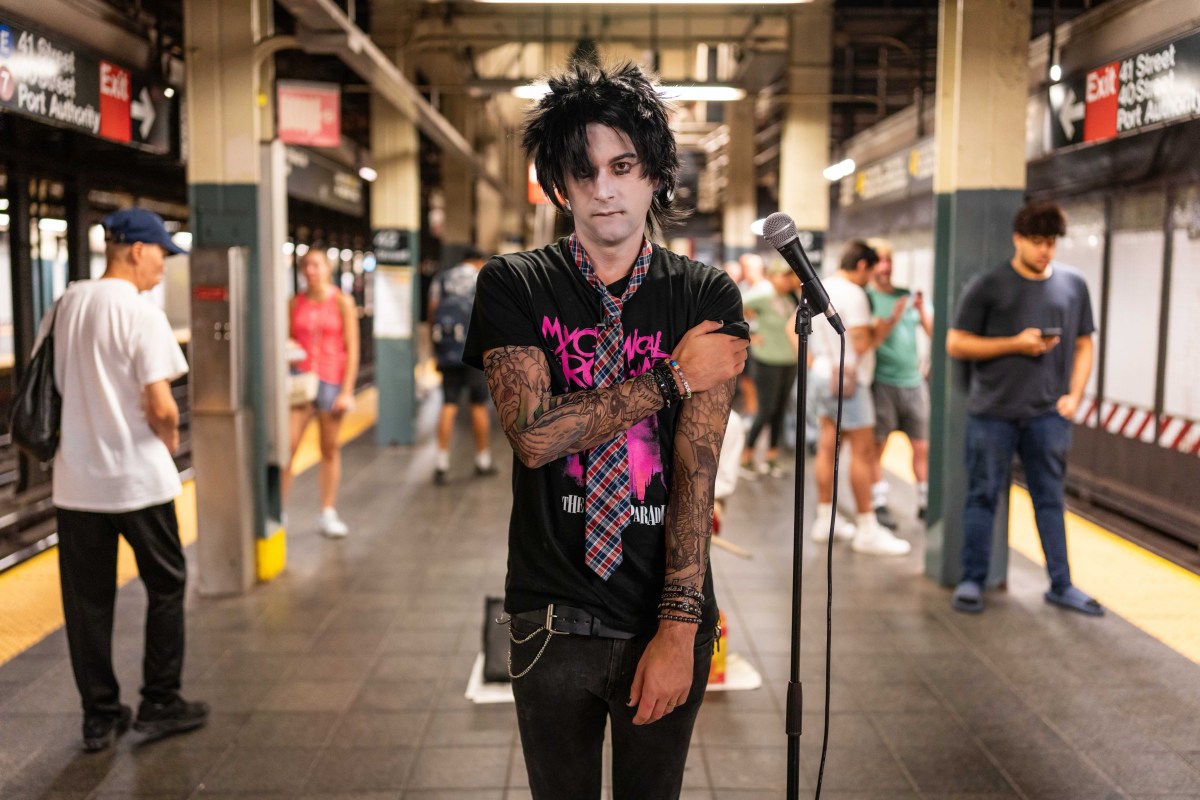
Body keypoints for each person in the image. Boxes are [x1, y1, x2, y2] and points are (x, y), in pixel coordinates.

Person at [463, 61, 748, 800]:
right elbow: (532, 435)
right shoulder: (514, 283)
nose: (604, 188)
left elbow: (695, 469)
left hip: (661, 612)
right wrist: (669, 379)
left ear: (655, 173)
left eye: (623, 165)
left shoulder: (705, 294)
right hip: (549, 616)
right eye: (582, 172)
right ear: (560, 187)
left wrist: (680, 629)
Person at [50, 208, 208, 752]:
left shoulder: (66, 303)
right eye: (161, 254)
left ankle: (98, 716)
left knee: (87, 601)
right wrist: (168, 435)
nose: (163, 266)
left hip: (75, 485)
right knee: (166, 586)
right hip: (138, 482)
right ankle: (160, 701)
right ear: (136, 250)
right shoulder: (141, 314)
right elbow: (161, 404)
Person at [947, 201, 1101, 616]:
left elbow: (1085, 341)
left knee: (1050, 498)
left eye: (1050, 242)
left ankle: (1061, 584)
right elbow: (956, 342)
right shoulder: (988, 285)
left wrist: (1075, 394)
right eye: (1036, 242)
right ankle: (972, 579)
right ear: (1017, 239)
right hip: (992, 412)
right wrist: (1016, 343)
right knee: (982, 497)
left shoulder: (1074, 285)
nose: (1045, 250)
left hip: (1048, 415)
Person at [808, 241, 912, 556]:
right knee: (863, 453)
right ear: (863, 266)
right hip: (849, 381)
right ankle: (867, 527)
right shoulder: (853, 294)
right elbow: (860, 342)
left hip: (824, 374)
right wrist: (884, 327)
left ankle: (826, 520)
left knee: (828, 445)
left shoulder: (820, 285)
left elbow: (795, 329)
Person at [284, 249, 360, 538]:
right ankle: (278, 512)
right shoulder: (295, 303)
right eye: (306, 265)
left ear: (328, 268)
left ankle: (328, 512)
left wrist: (347, 391)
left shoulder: (342, 301)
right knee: (287, 447)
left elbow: (351, 347)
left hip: (331, 380)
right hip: (301, 381)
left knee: (328, 449)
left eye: (316, 264)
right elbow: (288, 336)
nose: (310, 270)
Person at [866, 238, 933, 528]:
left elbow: (933, 332)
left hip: (913, 381)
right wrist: (892, 317)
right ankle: (878, 500)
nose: (886, 266)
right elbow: (871, 339)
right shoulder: (866, 297)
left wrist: (920, 311)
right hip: (883, 381)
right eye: (880, 260)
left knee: (921, 445)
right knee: (877, 445)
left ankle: (924, 500)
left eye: (889, 259)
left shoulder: (907, 295)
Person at [429, 246, 496, 484]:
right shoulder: (483, 278)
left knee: (449, 404)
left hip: (448, 352)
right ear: (479, 261)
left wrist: (436, 350)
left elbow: (432, 314)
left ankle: (441, 462)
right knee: (478, 405)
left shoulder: (442, 279)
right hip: (475, 354)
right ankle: (482, 460)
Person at [739, 261, 800, 479]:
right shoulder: (763, 293)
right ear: (774, 276)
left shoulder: (790, 297)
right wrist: (747, 336)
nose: (788, 281)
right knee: (765, 410)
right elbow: (734, 305)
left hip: (789, 361)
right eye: (785, 276)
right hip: (767, 361)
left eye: (790, 277)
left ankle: (771, 457)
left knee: (780, 411)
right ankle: (746, 458)